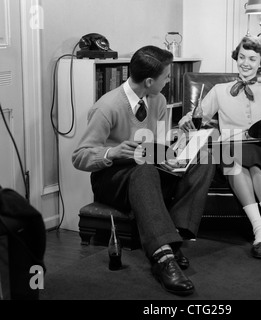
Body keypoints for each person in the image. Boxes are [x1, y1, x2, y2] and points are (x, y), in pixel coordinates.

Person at [72, 45, 216, 296]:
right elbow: (80, 157)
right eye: (167, 76)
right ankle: (163, 259)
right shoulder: (106, 107)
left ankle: (174, 240)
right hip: (112, 178)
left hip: (149, 168)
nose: (169, 79)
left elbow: (157, 144)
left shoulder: (157, 100)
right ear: (150, 81)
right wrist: (112, 152)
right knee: (145, 169)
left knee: (205, 158)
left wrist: (176, 149)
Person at [179, 36, 261, 259]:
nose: (245, 63)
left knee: (255, 164)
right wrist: (185, 122)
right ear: (236, 59)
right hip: (230, 150)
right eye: (241, 57)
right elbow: (195, 117)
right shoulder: (219, 90)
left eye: (252, 58)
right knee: (233, 160)